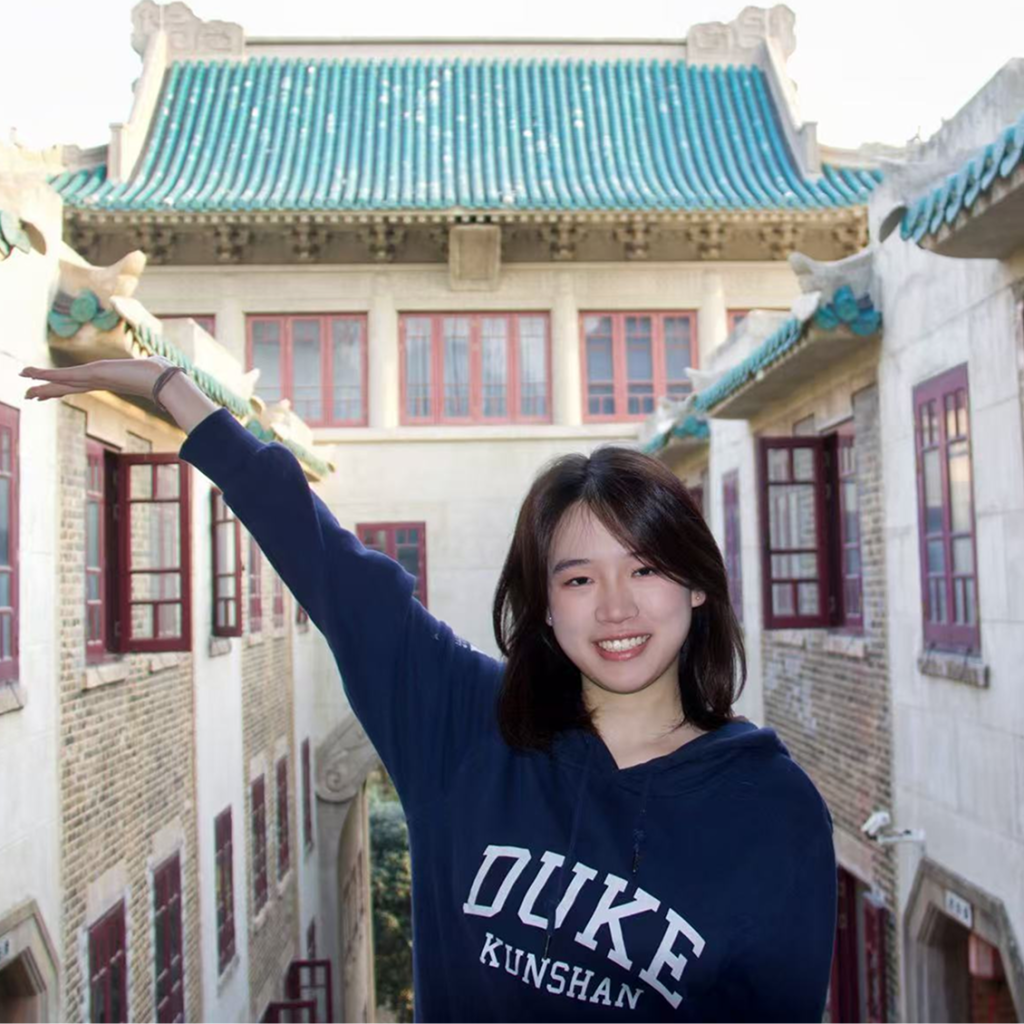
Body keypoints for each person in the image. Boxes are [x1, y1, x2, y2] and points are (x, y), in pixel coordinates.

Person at [22, 357, 837, 1022]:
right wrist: (174, 393)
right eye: (579, 578)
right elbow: (338, 574)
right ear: (544, 606)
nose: (616, 608)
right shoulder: (465, 729)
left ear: (697, 586)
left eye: (647, 570)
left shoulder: (771, 809)